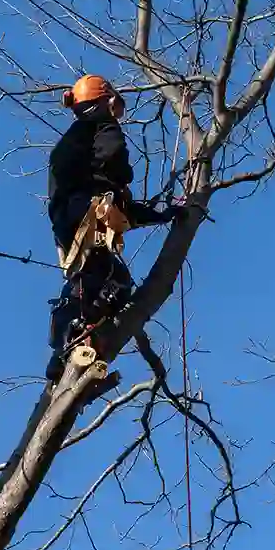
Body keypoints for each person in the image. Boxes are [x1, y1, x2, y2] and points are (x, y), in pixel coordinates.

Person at [45, 74, 181, 379]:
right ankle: (76, 335)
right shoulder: (102, 128)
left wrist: (162, 214)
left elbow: (123, 211)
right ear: (106, 101)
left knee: (103, 278)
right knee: (108, 278)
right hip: (84, 215)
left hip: (68, 223)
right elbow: (115, 160)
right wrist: (124, 174)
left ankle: (70, 346)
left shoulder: (74, 145)